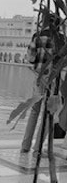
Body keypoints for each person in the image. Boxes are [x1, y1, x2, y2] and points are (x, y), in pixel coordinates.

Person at [21, 13, 67, 153]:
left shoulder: (37, 36)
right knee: (48, 114)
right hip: (53, 79)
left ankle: (25, 146)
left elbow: (30, 58)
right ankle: (38, 148)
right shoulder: (61, 39)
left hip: (39, 77)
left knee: (34, 112)